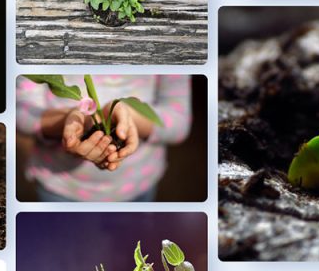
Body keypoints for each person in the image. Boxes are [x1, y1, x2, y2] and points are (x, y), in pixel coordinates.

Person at [16, 74, 192, 202]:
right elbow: (21, 113)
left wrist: (130, 115)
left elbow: (179, 122)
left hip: (138, 185)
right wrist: (70, 120)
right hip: (60, 186)